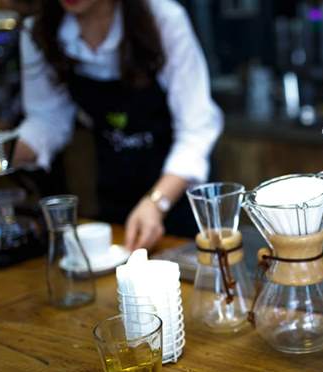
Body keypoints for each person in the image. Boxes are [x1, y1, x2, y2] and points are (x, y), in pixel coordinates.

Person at [12, 0, 223, 250]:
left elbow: (196, 128)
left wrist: (157, 203)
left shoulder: (162, 19)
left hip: (180, 196)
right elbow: (47, 119)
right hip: (116, 192)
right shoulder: (39, 32)